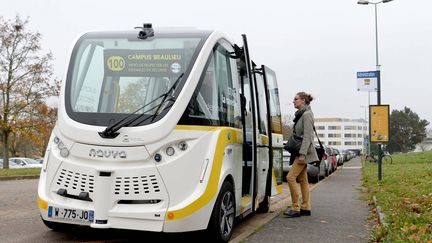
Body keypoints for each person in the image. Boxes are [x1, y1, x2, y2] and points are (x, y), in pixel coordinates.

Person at [284, 92, 318, 218]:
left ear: (303, 100)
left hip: (302, 153)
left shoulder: (307, 114)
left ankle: (295, 207)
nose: (293, 101)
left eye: (296, 99)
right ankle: (305, 207)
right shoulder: (302, 114)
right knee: (303, 179)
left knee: (290, 177)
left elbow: (308, 136)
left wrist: (303, 154)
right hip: (300, 152)